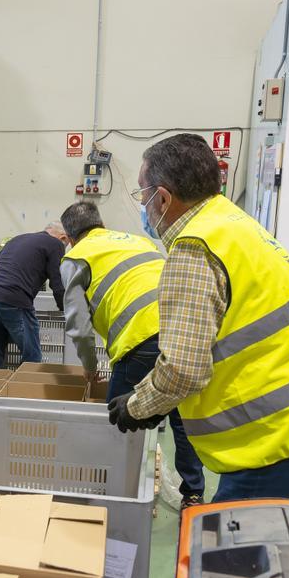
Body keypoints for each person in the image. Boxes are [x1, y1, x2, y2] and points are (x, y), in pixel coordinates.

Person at [114, 133, 289, 502]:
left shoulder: (194, 249)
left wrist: (138, 406)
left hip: (280, 437)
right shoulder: (234, 223)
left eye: (142, 194)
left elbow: (184, 369)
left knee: (230, 555)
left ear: (162, 198)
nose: (143, 206)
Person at [60, 201, 207, 506]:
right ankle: (193, 493)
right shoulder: (137, 239)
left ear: (71, 237)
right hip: (181, 329)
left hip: (140, 341)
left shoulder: (76, 257)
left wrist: (89, 365)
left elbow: (78, 324)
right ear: (100, 224)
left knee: (118, 418)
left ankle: (110, 492)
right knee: (183, 417)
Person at [0, 222, 69, 368]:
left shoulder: (17, 239)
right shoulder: (56, 244)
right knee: (32, 359)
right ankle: (26, 390)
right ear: (63, 238)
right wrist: (66, 310)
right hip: (14, 300)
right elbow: (57, 284)